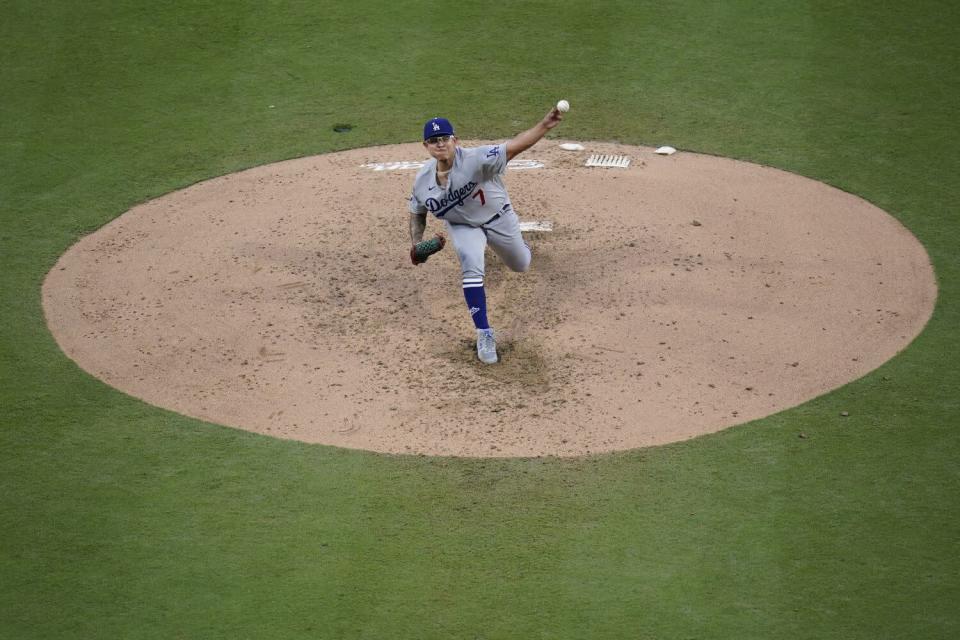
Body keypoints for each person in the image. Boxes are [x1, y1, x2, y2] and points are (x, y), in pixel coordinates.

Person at [408, 106, 564, 364]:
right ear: (426, 146)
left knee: (521, 264)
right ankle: (484, 332)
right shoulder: (422, 180)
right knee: (471, 263)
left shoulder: (477, 159)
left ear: (455, 140)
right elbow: (417, 211)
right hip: (462, 226)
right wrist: (416, 243)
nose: (440, 144)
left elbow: (513, 147)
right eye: (434, 141)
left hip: (498, 217)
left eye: (445, 138)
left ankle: (517, 246)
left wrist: (545, 125)